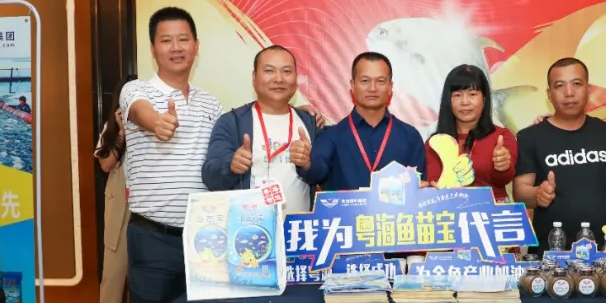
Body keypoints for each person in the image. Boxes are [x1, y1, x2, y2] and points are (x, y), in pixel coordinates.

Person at [120, 6, 223, 303]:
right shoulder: (136, 92)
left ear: (196, 46)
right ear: (153, 48)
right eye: (166, 39)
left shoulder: (211, 104)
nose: (176, 47)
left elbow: (223, 159)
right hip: (151, 239)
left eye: (184, 38)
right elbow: (144, 117)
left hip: (202, 243)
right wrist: (158, 123)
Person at [513, 57, 606, 250]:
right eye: (560, 86)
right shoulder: (530, 136)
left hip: (605, 253)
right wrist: (537, 193)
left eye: (577, 84)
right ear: (549, 94)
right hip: (550, 255)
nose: (569, 93)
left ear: (589, 89)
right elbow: (519, 192)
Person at [202, 46, 322, 212]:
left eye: (287, 71)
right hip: (249, 225)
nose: (279, 79)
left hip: (298, 226)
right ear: (254, 77)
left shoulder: (311, 123)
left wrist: (307, 164)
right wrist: (230, 165)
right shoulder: (231, 122)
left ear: (296, 77)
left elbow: (325, 173)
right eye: (269, 71)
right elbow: (210, 177)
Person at [295, 51, 425, 191]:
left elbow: (419, 187)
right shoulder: (331, 136)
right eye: (365, 81)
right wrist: (306, 163)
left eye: (380, 81)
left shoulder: (410, 136)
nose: (372, 88)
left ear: (390, 87)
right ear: (353, 85)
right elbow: (316, 171)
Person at [90, 74, 137, 303]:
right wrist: (120, 132)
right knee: (113, 273)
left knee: (147, 277)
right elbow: (105, 165)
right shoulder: (111, 129)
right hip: (120, 208)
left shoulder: (157, 123)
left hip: (150, 208)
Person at [425, 64, 517, 201]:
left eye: (472, 94)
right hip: (449, 210)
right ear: (448, 101)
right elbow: (432, 181)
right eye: (457, 95)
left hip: (492, 211)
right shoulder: (435, 143)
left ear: (484, 99)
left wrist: (502, 167)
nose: (465, 102)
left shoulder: (502, 137)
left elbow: (503, 180)